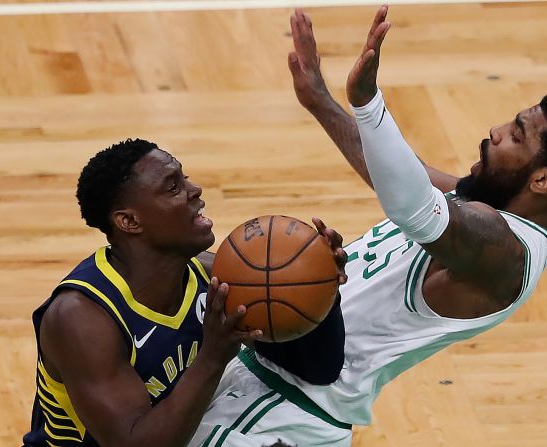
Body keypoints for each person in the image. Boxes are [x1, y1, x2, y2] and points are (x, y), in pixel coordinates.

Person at [188, 4, 547, 447]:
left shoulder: (502, 252)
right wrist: (320, 100)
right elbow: (397, 173)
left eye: (516, 135)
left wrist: (369, 103)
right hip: (265, 366)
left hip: (289, 413)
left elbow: (412, 206)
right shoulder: (489, 205)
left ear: (544, 180)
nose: (495, 130)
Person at [21, 139, 348, 447]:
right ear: (129, 221)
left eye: (185, 178)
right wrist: (213, 355)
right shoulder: (81, 319)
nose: (195, 190)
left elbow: (317, 370)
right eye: (173, 186)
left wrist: (322, 287)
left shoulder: (209, 274)